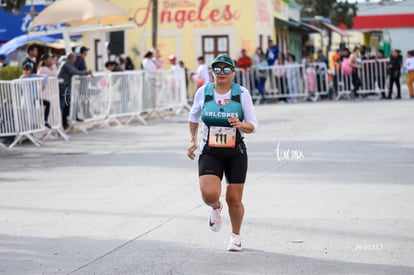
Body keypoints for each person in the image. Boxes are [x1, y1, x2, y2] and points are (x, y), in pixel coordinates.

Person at [187, 54, 258, 251]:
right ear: (212, 72)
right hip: (210, 151)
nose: (222, 73)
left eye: (226, 69)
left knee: (234, 199)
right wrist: (192, 140)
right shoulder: (203, 92)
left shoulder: (242, 94)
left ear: (233, 73)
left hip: (235, 152)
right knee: (210, 194)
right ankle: (216, 208)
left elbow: (253, 125)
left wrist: (241, 124)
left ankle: (235, 236)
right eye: (217, 69)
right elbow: (193, 117)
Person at [57, 52, 91, 130]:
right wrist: (86, 72)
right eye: (75, 58)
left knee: (68, 104)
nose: (75, 59)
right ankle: (66, 121)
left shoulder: (67, 63)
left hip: (65, 86)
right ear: (72, 58)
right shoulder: (67, 64)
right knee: (66, 105)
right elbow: (75, 72)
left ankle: (70, 120)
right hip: (63, 87)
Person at [20, 63, 51, 129]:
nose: (26, 71)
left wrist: (43, 85)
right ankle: (28, 129)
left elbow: (45, 76)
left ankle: (45, 121)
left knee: (47, 103)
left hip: (35, 99)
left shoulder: (33, 76)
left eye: (28, 69)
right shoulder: (21, 77)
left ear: (31, 70)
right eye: (24, 69)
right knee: (28, 116)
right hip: (26, 100)